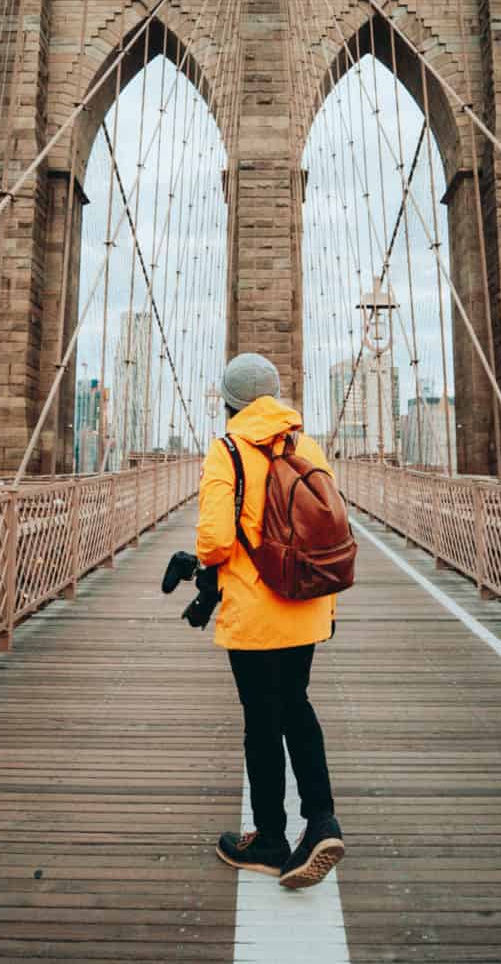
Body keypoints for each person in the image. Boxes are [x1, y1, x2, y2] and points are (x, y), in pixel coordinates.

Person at [197, 351, 346, 890]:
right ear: (277, 393)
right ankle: (322, 820)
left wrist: (208, 558)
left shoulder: (228, 450)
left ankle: (270, 840)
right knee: (296, 706)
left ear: (230, 402)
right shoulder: (306, 444)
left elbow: (214, 540)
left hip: (257, 612)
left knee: (262, 722)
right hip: (308, 606)